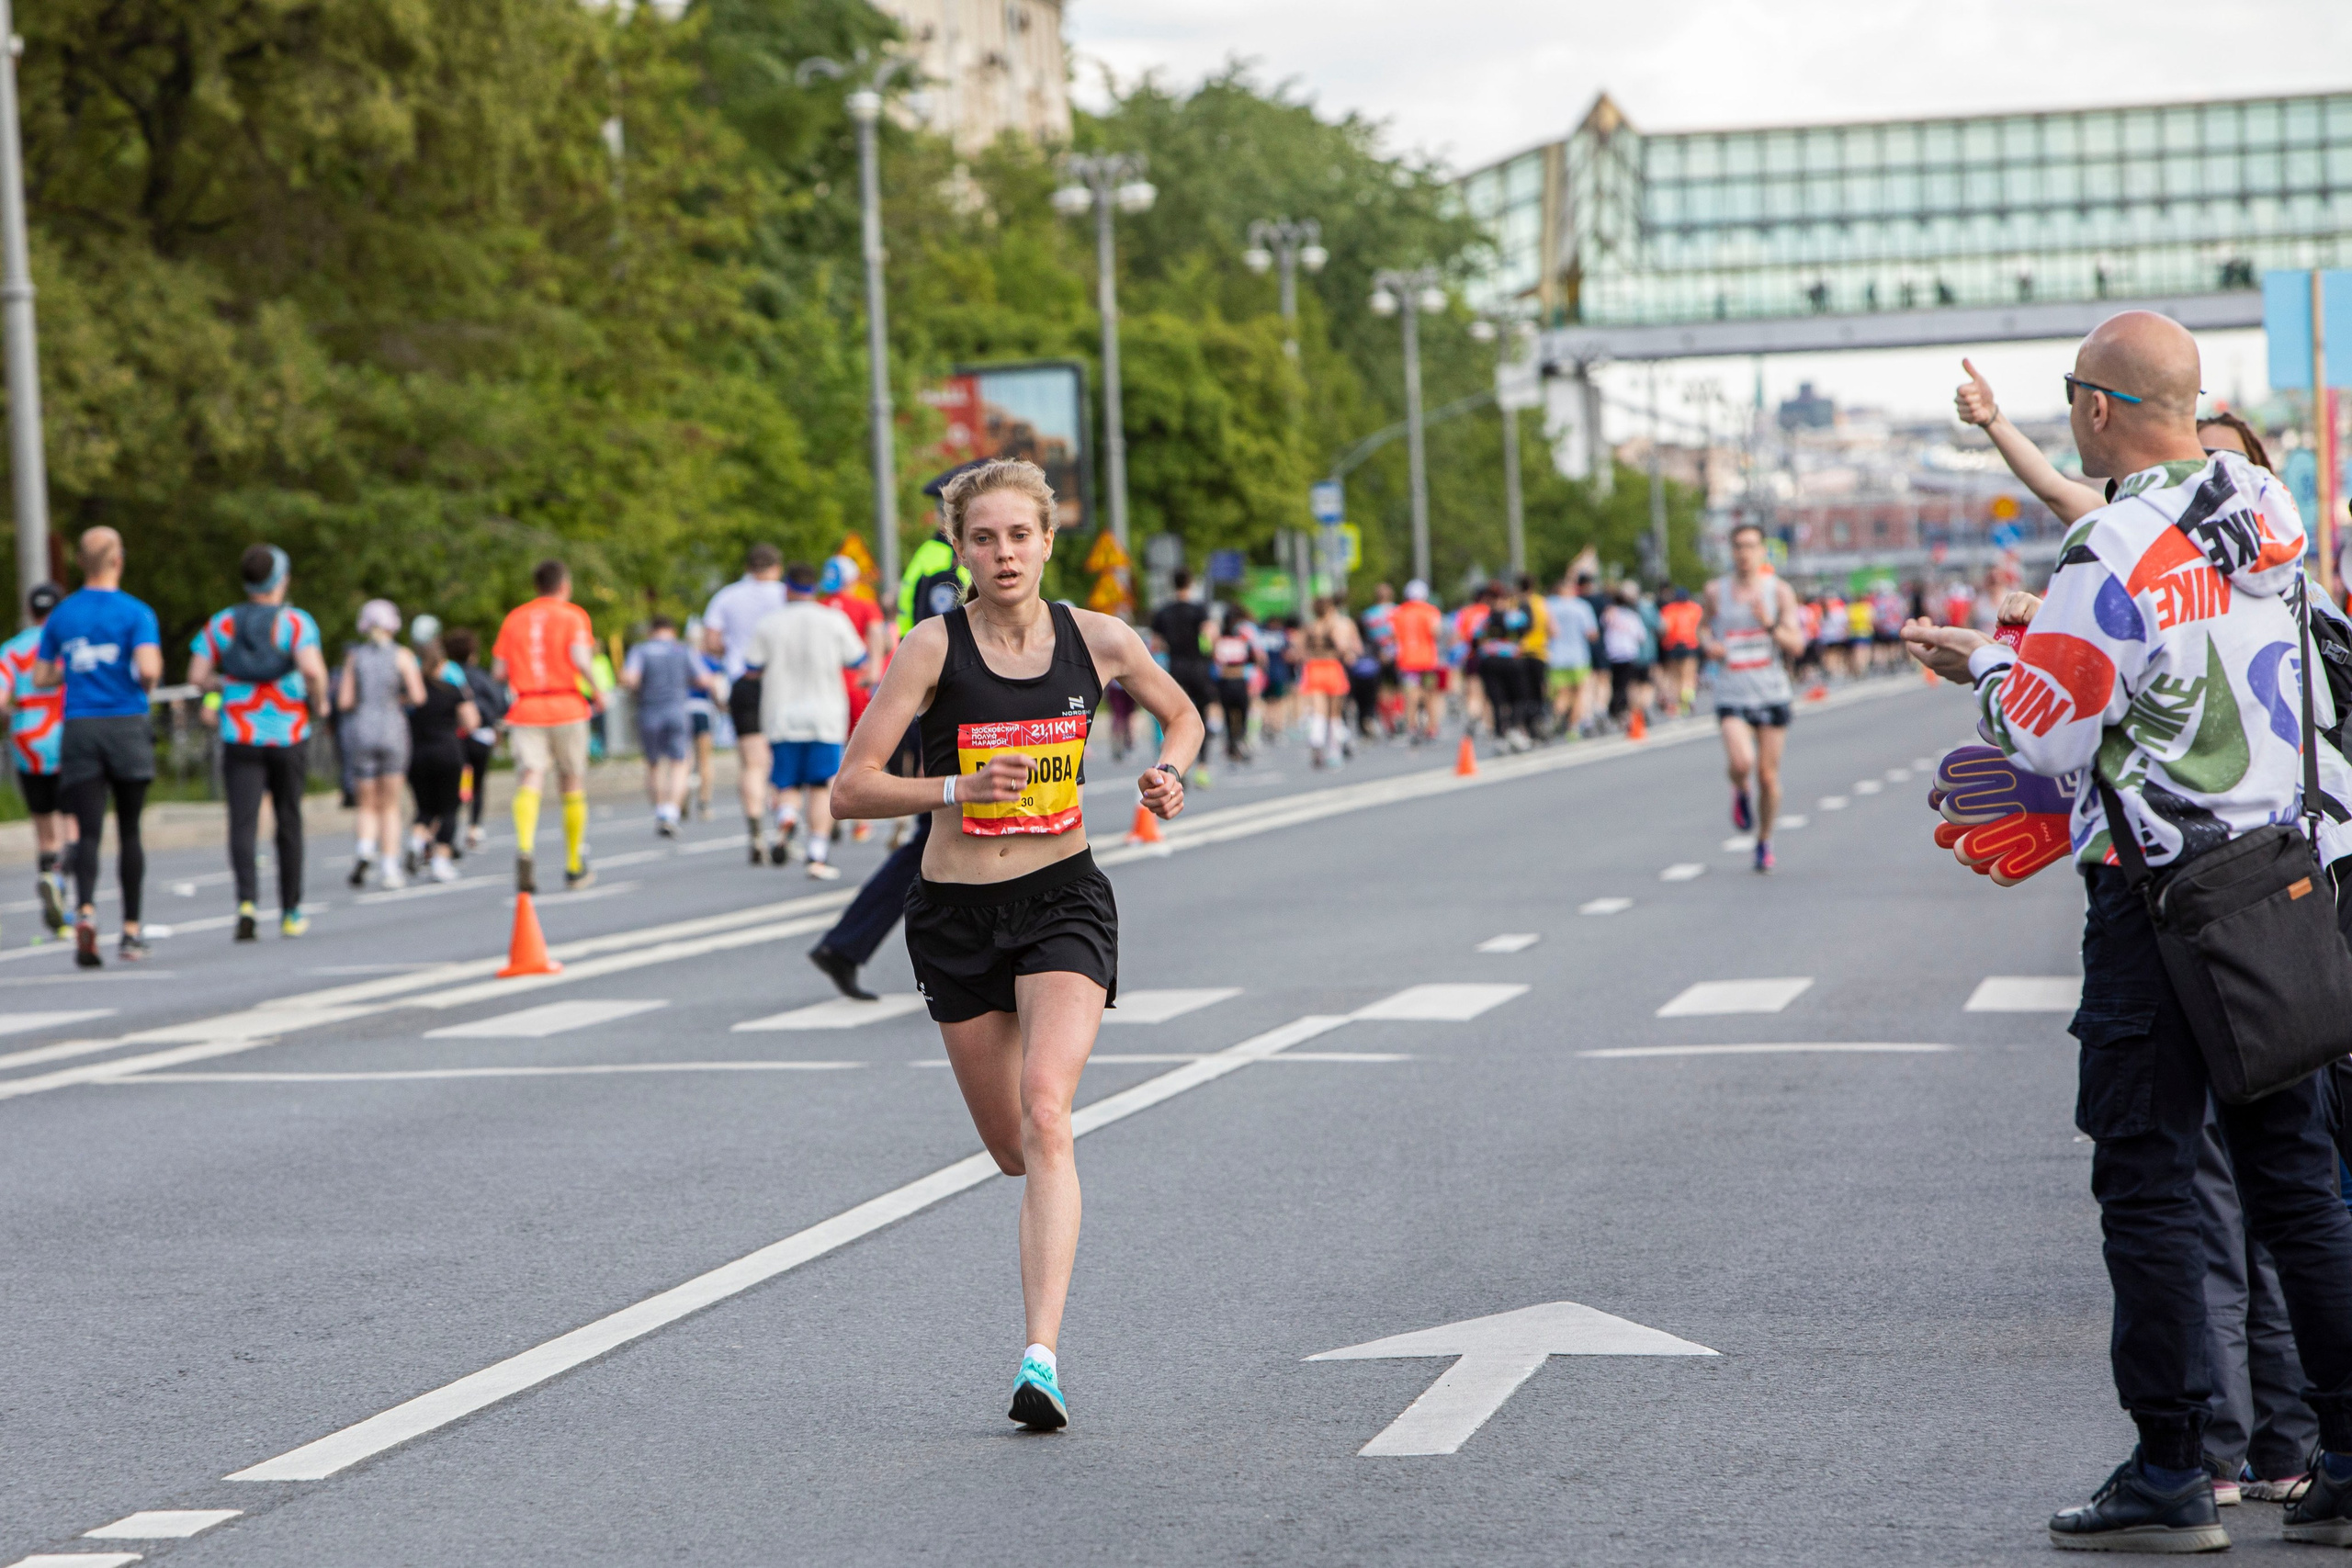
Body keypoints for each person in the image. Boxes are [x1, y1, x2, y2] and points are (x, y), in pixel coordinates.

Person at [1908, 310, 2352, 1552]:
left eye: (2069, 398)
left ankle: (2173, 1466)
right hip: (2281, 881)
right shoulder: (2262, 504)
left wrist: (1985, 667)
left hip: (2159, 894)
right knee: (2297, 1181)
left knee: (2151, 1172)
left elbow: (2046, 731)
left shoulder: (2106, 546)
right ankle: (2348, 1452)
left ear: (2100, 409)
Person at [829, 457, 1203, 1431]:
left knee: (1048, 1114)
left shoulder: (1099, 637)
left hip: (1063, 897)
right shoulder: (930, 649)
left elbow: (1183, 714)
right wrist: (956, 789)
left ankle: (1040, 1359)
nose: (1003, 553)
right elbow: (852, 787)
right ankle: (1038, 1322)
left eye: (1019, 535)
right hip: (954, 914)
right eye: (983, 538)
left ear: (1047, 541)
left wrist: (1170, 772)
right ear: (960, 549)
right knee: (1008, 1149)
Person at [186, 545, 331, 937]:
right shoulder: (295, 624)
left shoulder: (222, 623)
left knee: (243, 822)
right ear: (280, 579)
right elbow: (313, 671)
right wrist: (319, 702)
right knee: (288, 819)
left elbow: (198, 675)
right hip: (288, 732)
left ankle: (247, 903)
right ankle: (291, 910)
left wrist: (224, 686)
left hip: (239, 734)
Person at [35, 527, 163, 967]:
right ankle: (131, 932)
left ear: (81, 563)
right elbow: (148, 668)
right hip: (126, 722)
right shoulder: (137, 613)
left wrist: (77, 672)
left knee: (86, 831)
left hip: (81, 726)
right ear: (117, 561)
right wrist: (140, 679)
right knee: (129, 829)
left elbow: (41, 676)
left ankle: (85, 911)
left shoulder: (63, 615)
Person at [747, 562, 865, 879]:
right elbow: (857, 659)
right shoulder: (833, 620)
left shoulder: (769, 623)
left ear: (787, 588)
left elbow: (752, 667)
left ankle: (786, 813)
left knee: (786, 781)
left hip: (782, 713)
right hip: (825, 714)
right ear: (815, 589)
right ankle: (816, 851)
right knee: (820, 785)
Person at [1701, 525, 1803, 874]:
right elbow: (1703, 626)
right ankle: (1738, 787)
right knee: (1742, 763)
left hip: (1772, 691)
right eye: (1738, 546)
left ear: (1762, 552)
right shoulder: (1716, 592)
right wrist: (1708, 644)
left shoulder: (1780, 592)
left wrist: (1769, 624)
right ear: (1731, 551)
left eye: (1751, 546)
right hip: (1732, 690)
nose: (1744, 553)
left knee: (1768, 777)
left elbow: (1796, 644)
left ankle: (1764, 839)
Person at [492, 559, 598, 893]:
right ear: (564, 585)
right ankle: (573, 865)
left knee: (530, 778)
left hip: (526, 708)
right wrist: (599, 690)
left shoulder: (515, 619)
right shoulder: (573, 616)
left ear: (537, 586)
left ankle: (525, 846)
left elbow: (498, 671)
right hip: (567, 704)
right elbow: (581, 658)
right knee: (572, 783)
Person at [706, 544, 788, 863]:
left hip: (744, 681)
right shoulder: (785, 595)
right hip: (782, 682)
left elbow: (711, 642)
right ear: (776, 567)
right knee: (782, 758)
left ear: (747, 567)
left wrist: (732, 649)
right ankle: (784, 825)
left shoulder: (726, 597)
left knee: (753, 763)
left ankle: (755, 831)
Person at [337, 600, 426, 890]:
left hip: (362, 728)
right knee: (390, 804)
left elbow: (345, 701)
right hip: (392, 729)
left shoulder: (355, 657)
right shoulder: (402, 656)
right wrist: (398, 700)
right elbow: (418, 695)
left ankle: (365, 850)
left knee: (366, 802)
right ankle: (390, 867)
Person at [1, 582, 73, 934]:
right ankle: (63, 887)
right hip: (66, 734)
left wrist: (10, 719)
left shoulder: (12, 650)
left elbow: (0, 701)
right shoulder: (67, 642)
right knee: (71, 822)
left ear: (30, 611)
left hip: (27, 739)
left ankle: (48, 872)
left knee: (45, 830)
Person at [621, 615, 708, 838]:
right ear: (672, 629)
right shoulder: (682, 649)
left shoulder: (640, 650)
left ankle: (660, 810)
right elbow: (703, 678)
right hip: (678, 711)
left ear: (652, 630)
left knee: (653, 765)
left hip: (648, 712)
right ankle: (671, 811)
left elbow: (630, 678)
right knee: (680, 763)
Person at [401, 639, 479, 882]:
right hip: (448, 753)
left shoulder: (410, 696)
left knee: (424, 807)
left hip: (416, 754)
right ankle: (440, 860)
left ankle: (416, 840)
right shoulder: (451, 689)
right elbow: (471, 721)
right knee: (449, 808)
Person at [443, 627, 504, 851]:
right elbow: (497, 702)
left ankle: (445, 830)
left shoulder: (445, 674)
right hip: (480, 736)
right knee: (477, 784)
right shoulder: (480, 676)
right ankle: (474, 827)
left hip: (452, 736)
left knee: (455, 784)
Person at [1149, 570, 1216, 779]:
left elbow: (1156, 645)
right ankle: (1202, 767)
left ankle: (1177, 766)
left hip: (1175, 669)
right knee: (1200, 717)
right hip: (1197, 667)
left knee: (1175, 718)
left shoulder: (1163, 612)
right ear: (1191, 583)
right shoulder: (1199, 610)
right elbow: (1208, 636)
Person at [1297, 596, 1359, 768]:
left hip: (1313, 668)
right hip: (1331, 667)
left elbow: (1300, 650)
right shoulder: (1333, 626)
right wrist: (1348, 654)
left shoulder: (1310, 627)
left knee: (1318, 712)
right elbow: (1342, 647)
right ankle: (1334, 751)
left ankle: (1316, 741)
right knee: (1334, 714)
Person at [1393, 581, 1444, 744]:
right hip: (1427, 660)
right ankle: (1432, 727)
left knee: (1411, 695)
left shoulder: (1399, 612)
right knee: (1430, 694)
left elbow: (1394, 637)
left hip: (1407, 660)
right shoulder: (1430, 611)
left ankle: (1411, 727)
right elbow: (1436, 632)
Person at [1209, 604, 1260, 762]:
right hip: (1236, 680)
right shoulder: (1241, 639)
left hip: (1228, 681)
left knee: (1231, 715)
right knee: (1239, 713)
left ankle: (1234, 744)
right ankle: (1237, 743)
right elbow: (1255, 657)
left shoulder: (1222, 640)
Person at [1657, 587, 1702, 716]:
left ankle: (1677, 702)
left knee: (1675, 676)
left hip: (1672, 645)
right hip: (1690, 644)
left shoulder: (1669, 609)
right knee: (1688, 674)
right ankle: (1687, 700)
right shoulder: (1695, 608)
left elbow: (1664, 628)